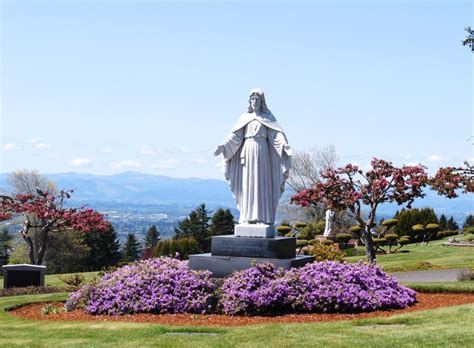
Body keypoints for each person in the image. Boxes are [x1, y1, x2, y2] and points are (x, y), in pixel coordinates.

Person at [214, 89, 292, 225]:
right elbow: (234, 136)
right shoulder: (244, 118)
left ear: (262, 102)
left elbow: (277, 135)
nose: (255, 102)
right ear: (249, 102)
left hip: (262, 152)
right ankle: (247, 217)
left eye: (257, 99)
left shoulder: (268, 118)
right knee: (247, 184)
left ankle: (263, 218)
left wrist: (284, 145)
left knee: (262, 183)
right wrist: (223, 146)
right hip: (247, 151)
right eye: (252, 99)